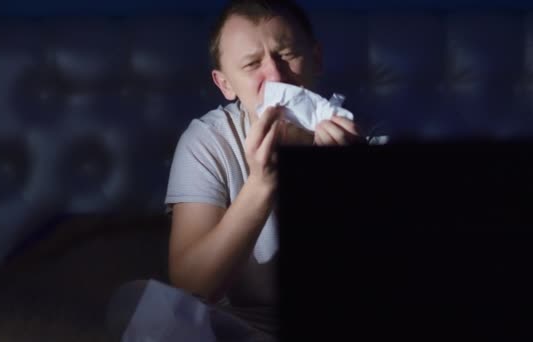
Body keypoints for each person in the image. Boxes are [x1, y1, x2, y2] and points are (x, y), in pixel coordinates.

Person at [108, 1, 364, 341]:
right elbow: (193, 284)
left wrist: (358, 184)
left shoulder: (366, 140)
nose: (274, 76)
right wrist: (262, 183)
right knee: (136, 302)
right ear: (225, 84)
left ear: (316, 58)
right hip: (246, 327)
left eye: (286, 54)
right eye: (252, 64)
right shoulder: (208, 141)